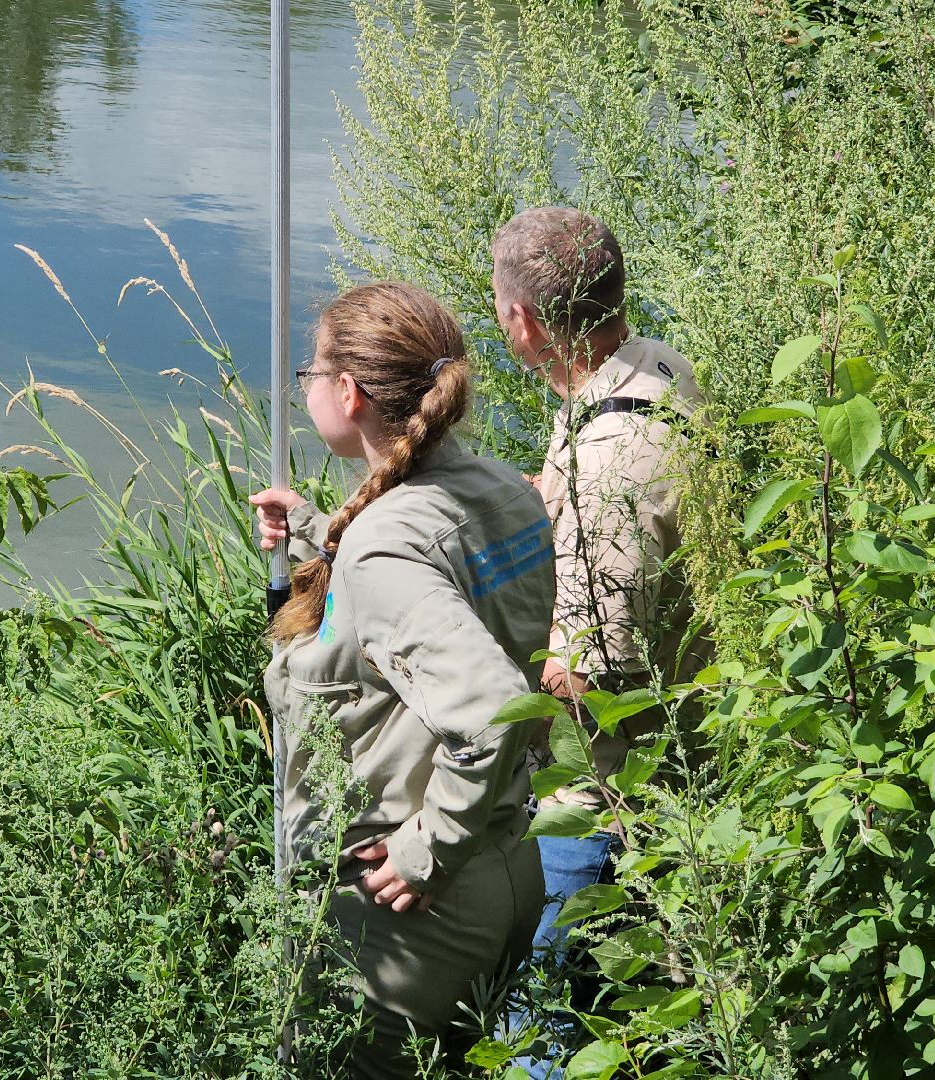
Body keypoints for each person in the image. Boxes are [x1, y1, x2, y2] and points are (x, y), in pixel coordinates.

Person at [250, 281, 556, 1078]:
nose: (307, 388)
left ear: (348, 393)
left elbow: (491, 709)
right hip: (511, 864)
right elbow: (446, 587)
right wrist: (324, 531)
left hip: (411, 912)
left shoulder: (385, 548)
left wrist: (428, 848)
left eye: (310, 374)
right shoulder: (497, 487)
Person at [489, 207, 705, 1007]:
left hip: (607, 811)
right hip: (687, 764)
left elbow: (587, 679)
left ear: (522, 321)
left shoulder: (605, 463)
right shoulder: (656, 369)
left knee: (544, 1020)